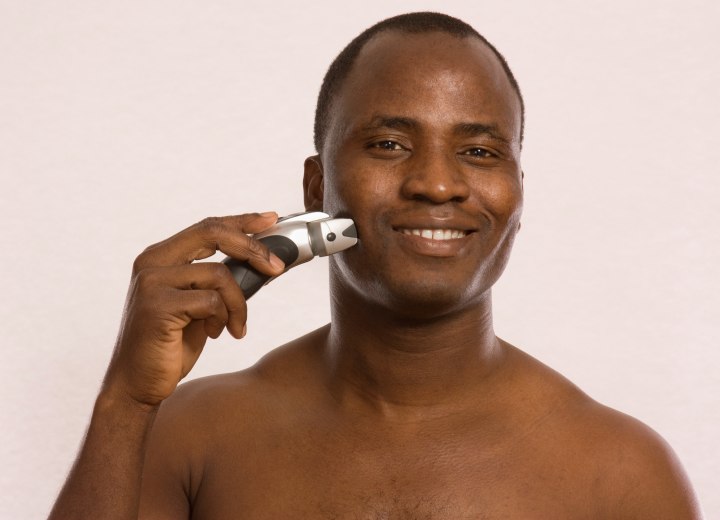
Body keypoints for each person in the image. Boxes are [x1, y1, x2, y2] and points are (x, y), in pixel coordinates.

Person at [49, 12, 702, 520]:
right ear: (316, 189)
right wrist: (126, 402)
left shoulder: (621, 474)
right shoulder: (195, 438)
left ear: (517, 191)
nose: (437, 184)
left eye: (478, 151)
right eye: (389, 144)